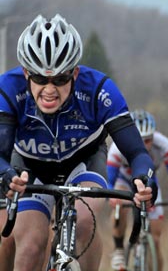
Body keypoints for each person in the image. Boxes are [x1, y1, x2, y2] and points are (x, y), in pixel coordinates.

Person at [0, 14, 157, 271]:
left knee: (84, 223)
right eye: (40, 79)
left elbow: (137, 151)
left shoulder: (99, 90)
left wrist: (144, 177)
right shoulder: (8, 88)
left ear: (74, 73)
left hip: (83, 163)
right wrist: (5, 174)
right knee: (30, 245)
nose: (49, 89)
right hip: (29, 168)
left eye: (60, 79)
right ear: (26, 73)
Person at [107, 109, 168, 271]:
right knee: (120, 201)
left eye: (148, 140)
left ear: (154, 135)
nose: (144, 145)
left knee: (156, 240)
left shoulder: (163, 144)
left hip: (148, 182)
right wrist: (112, 196)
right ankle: (118, 250)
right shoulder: (117, 148)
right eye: (139, 139)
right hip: (124, 181)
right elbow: (109, 181)